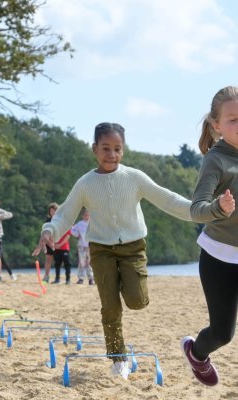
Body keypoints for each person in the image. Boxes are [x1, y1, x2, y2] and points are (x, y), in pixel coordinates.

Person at [31, 122, 192, 380]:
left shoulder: (134, 177)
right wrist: (49, 230)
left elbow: (167, 198)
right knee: (110, 307)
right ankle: (118, 359)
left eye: (117, 149)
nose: (111, 154)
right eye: (105, 148)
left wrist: (201, 210)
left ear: (123, 151)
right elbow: (65, 213)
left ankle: (125, 285)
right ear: (94, 149)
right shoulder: (85, 183)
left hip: (133, 247)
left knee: (137, 301)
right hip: (101, 249)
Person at [180, 86, 238, 387]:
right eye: (233, 120)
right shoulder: (215, 160)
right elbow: (196, 209)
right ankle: (196, 352)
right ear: (216, 125)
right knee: (222, 334)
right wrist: (219, 207)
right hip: (220, 257)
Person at [70, 209, 95, 285]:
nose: (86, 217)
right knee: (81, 262)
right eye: (85, 215)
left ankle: (91, 278)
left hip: (90, 246)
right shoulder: (80, 224)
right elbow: (74, 232)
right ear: (82, 216)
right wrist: (70, 227)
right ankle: (81, 278)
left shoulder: (92, 224)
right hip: (81, 246)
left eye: (88, 215)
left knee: (89, 263)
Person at [41, 203, 58, 283]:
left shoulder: (60, 220)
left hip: (58, 243)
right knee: (48, 259)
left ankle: (57, 278)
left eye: (54, 211)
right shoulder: (48, 220)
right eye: (51, 211)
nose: (52, 213)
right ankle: (46, 276)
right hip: (49, 242)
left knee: (58, 261)